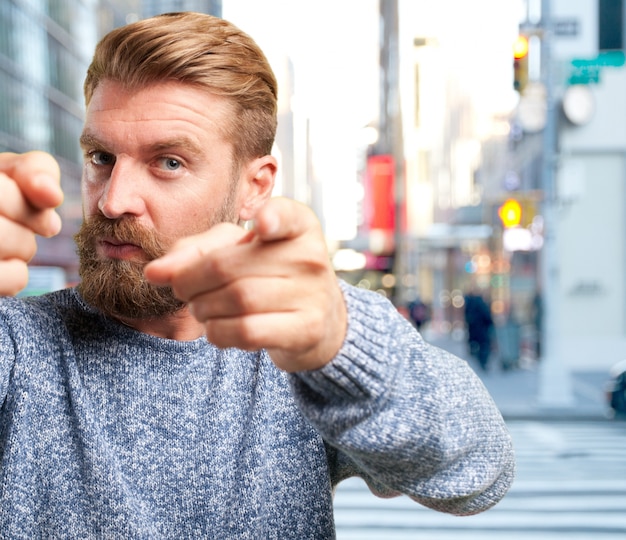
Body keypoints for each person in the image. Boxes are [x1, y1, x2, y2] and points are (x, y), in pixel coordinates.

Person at [0, 12, 514, 538]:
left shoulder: (303, 342)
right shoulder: (17, 343)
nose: (112, 200)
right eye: (101, 157)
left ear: (254, 186)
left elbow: (479, 473)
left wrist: (342, 347)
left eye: (169, 162)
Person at [464, 288, 495, 371]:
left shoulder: (470, 306)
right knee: (484, 346)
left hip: (474, 331)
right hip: (482, 331)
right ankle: (483, 362)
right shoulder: (482, 305)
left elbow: (467, 319)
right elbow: (487, 318)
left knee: (477, 345)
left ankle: (479, 359)